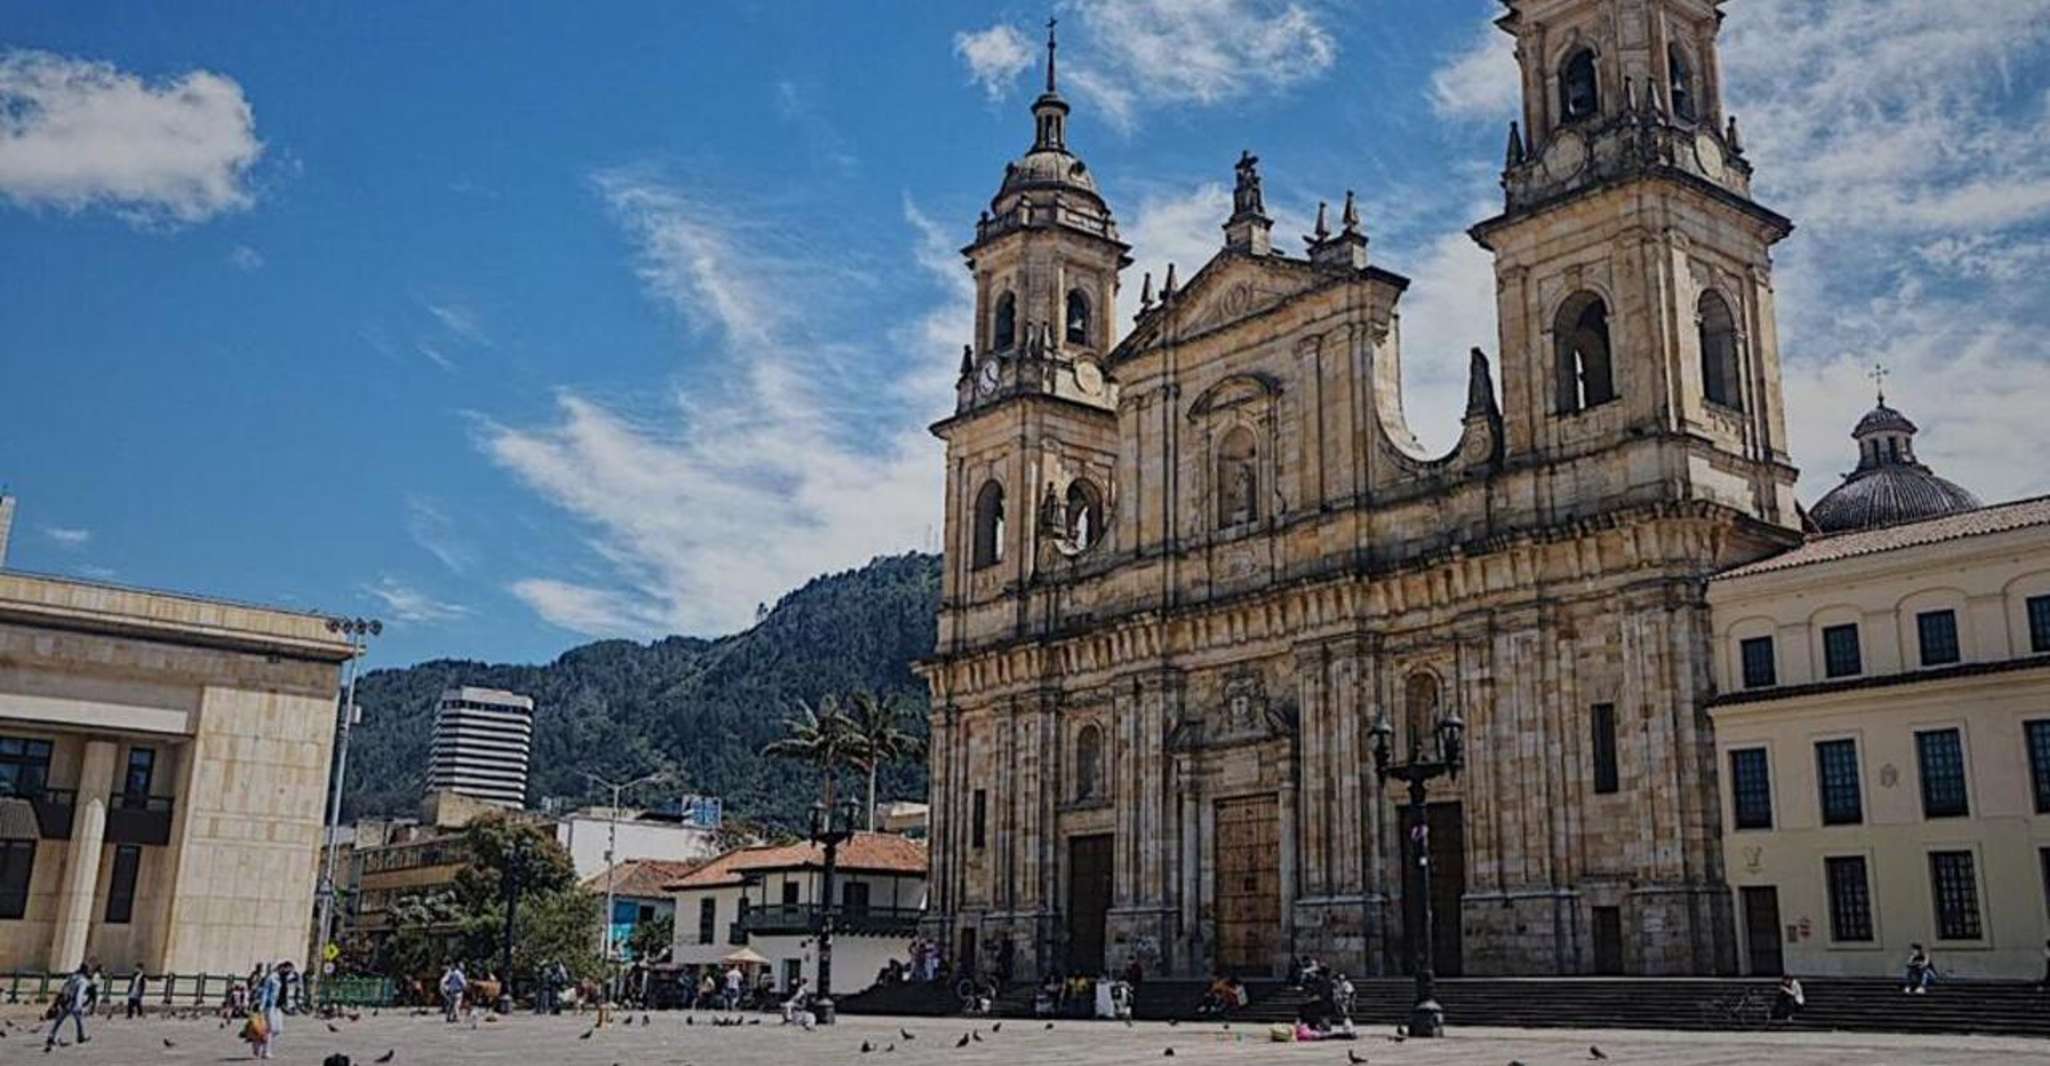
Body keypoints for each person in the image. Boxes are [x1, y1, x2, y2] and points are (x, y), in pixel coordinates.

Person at [45, 965, 91, 1050]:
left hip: (66, 1002)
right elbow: (79, 994)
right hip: (74, 1003)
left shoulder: (72, 978)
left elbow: (64, 988)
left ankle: (51, 1036)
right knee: (78, 1020)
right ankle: (80, 1036)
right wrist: (79, 1005)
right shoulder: (83, 981)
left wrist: (59, 1001)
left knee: (59, 1020)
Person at [251, 961, 289, 1060]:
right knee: (270, 1029)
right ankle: (266, 1051)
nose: (288, 971)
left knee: (278, 1029)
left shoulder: (283, 979)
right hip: (269, 1006)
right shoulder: (272, 978)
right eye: (287, 968)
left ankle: (258, 1041)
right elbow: (265, 992)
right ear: (281, 967)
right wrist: (261, 1006)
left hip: (278, 1006)